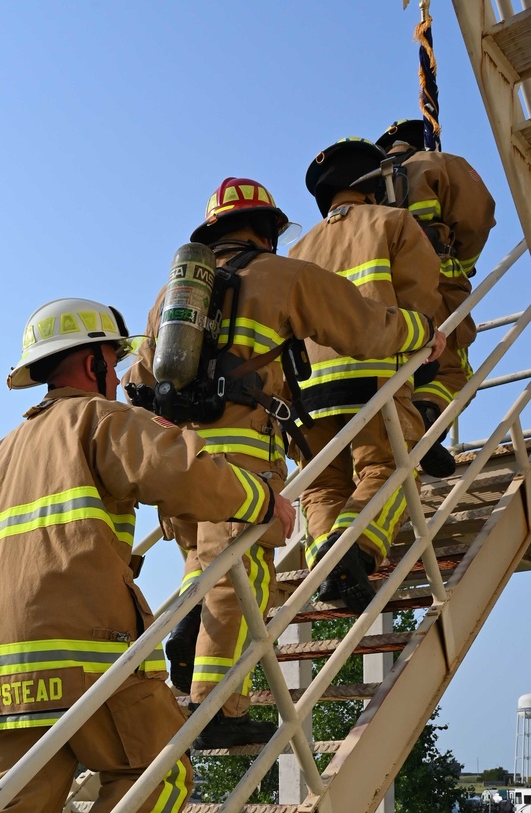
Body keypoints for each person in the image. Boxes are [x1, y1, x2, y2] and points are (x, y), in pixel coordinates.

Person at [0, 296, 295, 813]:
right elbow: (180, 471)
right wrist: (262, 499)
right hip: (82, 661)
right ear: (99, 360)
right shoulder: (98, 420)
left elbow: (42, 548)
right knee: (158, 773)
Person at [124, 176, 443, 738]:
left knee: (204, 570)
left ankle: (185, 629)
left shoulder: (170, 299)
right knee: (240, 578)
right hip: (242, 457)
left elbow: (139, 380)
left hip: (176, 461)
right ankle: (218, 709)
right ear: (269, 228)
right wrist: (422, 330)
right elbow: (364, 329)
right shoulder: (281, 275)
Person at [291, 138, 443, 613]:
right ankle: (352, 552)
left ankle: (327, 565)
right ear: (375, 184)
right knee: (391, 470)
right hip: (373, 378)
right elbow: (420, 308)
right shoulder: (394, 222)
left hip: (305, 393)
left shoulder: (295, 251)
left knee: (321, 487)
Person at [374, 118, 496, 476]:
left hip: (382, 292)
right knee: (453, 370)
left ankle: (404, 432)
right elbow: (478, 218)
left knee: (403, 369)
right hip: (436, 281)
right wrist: (463, 266)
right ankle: (424, 429)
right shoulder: (438, 164)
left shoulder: (366, 183)